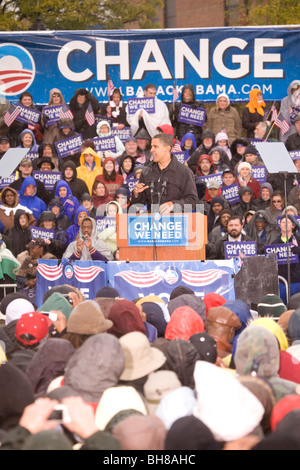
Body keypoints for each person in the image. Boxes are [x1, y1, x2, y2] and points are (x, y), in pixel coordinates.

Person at [130, 133, 199, 214]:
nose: (151, 150)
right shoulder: (146, 171)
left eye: (155, 146)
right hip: (152, 223)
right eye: (151, 146)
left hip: (176, 223)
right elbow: (139, 205)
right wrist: (136, 195)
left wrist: (174, 204)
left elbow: (193, 201)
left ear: (167, 148)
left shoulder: (184, 172)